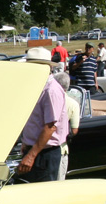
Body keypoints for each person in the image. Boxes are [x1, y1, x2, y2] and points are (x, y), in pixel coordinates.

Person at [17, 48, 68, 183]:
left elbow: (50, 127)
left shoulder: (51, 91)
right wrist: (26, 143)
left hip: (44, 154)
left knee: (41, 195)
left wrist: (31, 155)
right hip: (36, 150)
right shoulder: (40, 88)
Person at [51, 72, 79, 180]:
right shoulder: (73, 104)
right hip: (61, 148)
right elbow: (74, 130)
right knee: (59, 182)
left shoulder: (47, 99)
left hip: (43, 147)